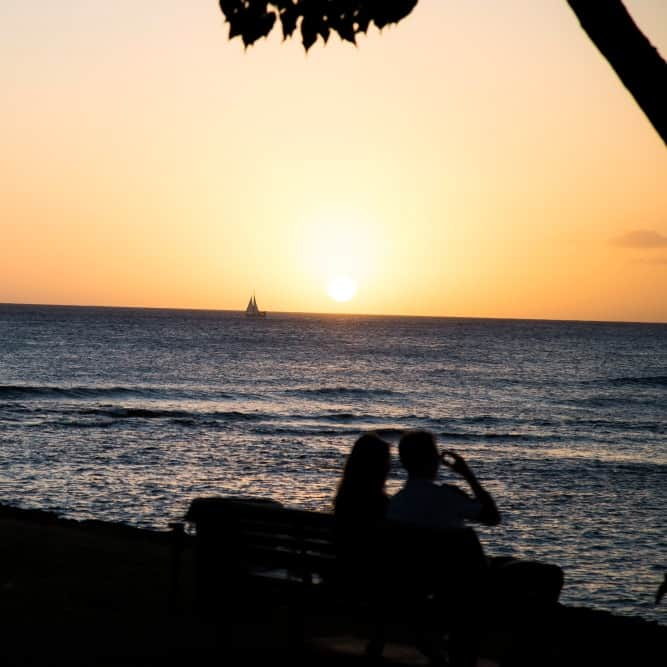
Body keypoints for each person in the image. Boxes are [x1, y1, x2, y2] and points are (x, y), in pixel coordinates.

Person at [332, 432, 391, 591]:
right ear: (379, 467)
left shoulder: (343, 500)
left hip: (341, 574)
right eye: (387, 462)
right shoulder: (382, 505)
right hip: (371, 580)